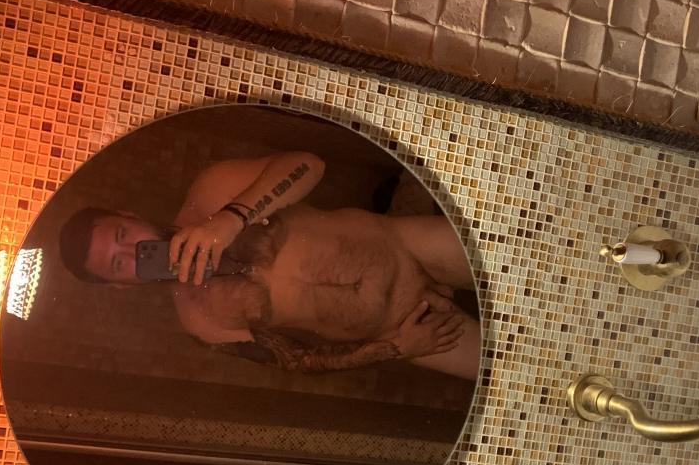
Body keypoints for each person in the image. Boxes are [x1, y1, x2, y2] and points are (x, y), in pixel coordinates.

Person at [59, 151, 480, 379]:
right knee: (513, 377)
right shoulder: (199, 320)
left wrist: (230, 219)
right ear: (122, 286)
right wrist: (396, 348)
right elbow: (297, 360)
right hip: (405, 329)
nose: (132, 251)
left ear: (129, 216)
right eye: (118, 264)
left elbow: (309, 165)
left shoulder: (211, 192)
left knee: (511, 255)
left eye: (122, 235)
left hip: (408, 248)